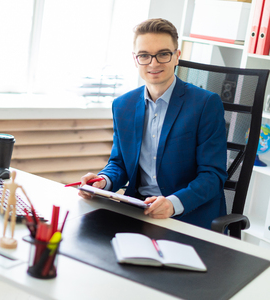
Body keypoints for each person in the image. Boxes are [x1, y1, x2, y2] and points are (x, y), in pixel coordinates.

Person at [78, 18, 227, 229]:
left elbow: (213, 175)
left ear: (177, 56)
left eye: (163, 54)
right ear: (135, 59)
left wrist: (173, 204)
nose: (153, 63)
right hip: (139, 210)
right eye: (144, 55)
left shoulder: (205, 104)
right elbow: (119, 163)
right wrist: (102, 181)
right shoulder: (123, 105)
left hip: (187, 214)